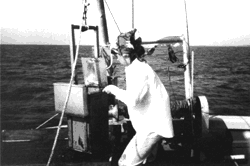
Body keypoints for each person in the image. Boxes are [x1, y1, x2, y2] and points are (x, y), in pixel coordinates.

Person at [103, 29, 174, 166]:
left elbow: (132, 100)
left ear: (126, 55)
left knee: (125, 163)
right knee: (145, 161)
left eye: (118, 54)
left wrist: (113, 89)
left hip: (152, 127)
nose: (117, 58)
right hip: (149, 126)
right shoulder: (134, 67)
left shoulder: (139, 70)